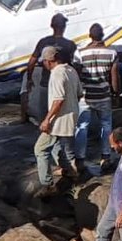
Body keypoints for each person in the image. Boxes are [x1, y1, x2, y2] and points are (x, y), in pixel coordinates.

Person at [75, 23, 120, 172]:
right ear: (103, 35)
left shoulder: (80, 54)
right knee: (106, 126)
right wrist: (116, 94)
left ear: (90, 35)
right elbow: (114, 77)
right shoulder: (112, 53)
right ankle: (106, 157)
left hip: (85, 96)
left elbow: (77, 76)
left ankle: (80, 159)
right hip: (103, 96)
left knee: (82, 127)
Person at [35, 45, 83, 186]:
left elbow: (58, 100)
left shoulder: (56, 73)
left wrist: (47, 119)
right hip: (72, 115)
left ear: (49, 60)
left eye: (44, 61)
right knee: (60, 146)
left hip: (58, 120)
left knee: (40, 149)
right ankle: (69, 170)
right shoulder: (71, 70)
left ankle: (47, 185)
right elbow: (79, 94)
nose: (43, 64)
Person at [23, 13, 73, 124]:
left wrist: (29, 79)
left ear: (52, 26)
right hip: (62, 85)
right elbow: (73, 67)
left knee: (44, 115)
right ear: (64, 27)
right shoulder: (69, 45)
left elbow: (31, 62)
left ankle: (45, 134)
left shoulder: (43, 42)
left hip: (46, 84)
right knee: (61, 116)